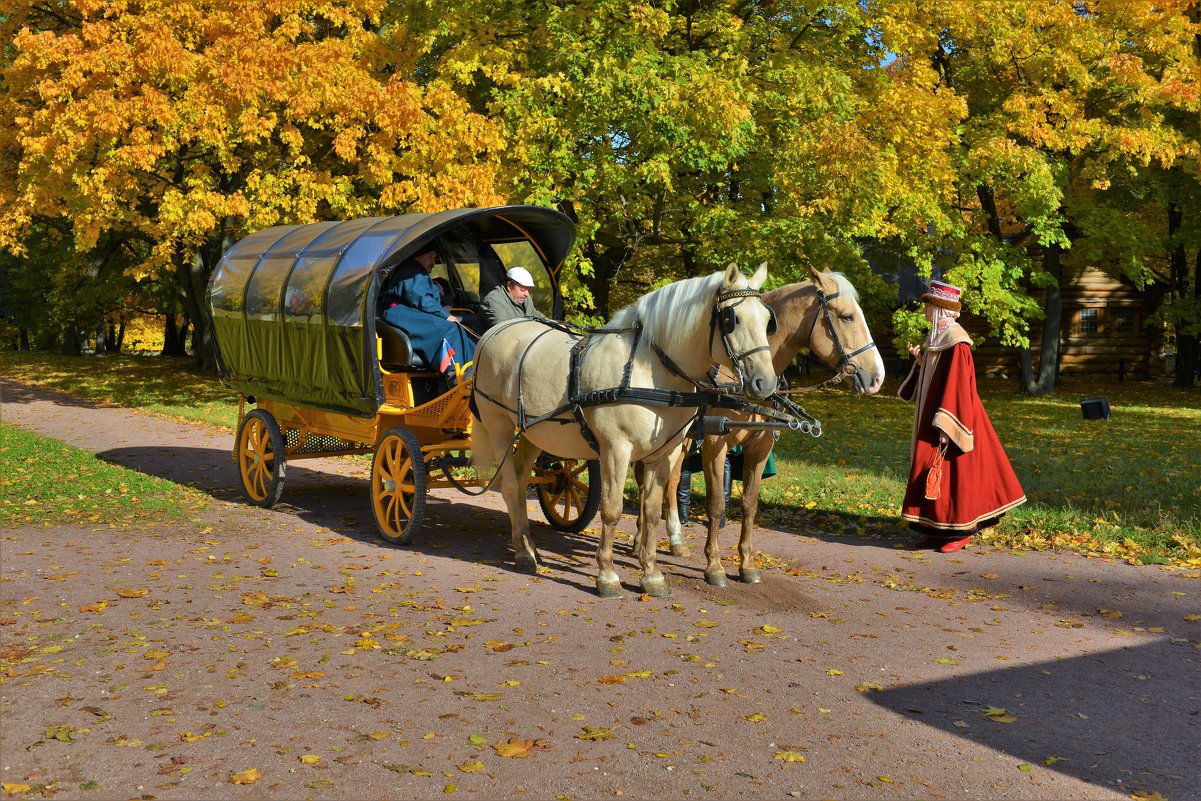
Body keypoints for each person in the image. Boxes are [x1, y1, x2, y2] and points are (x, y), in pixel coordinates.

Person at [899, 280, 1026, 552]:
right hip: (935, 416)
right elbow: (936, 378)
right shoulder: (938, 340)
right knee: (929, 468)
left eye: (929, 306)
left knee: (957, 473)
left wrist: (948, 425)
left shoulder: (957, 344)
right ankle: (936, 528)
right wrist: (921, 361)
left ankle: (960, 531)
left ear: (942, 310)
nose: (925, 311)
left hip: (953, 417)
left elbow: (958, 386)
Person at [380, 249, 476, 386]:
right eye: (430, 257)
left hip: (412, 312)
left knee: (461, 331)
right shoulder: (412, 271)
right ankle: (454, 374)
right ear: (417, 256)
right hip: (401, 314)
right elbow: (422, 299)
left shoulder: (420, 274)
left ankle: (474, 368)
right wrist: (445, 315)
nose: (433, 263)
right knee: (448, 328)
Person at [479, 266, 549, 330]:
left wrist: (551, 324)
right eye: (523, 290)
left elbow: (535, 315)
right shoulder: (494, 301)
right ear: (509, 286)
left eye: (529, 290)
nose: (527, 294)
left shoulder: (526, 299)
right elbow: (505, 330)